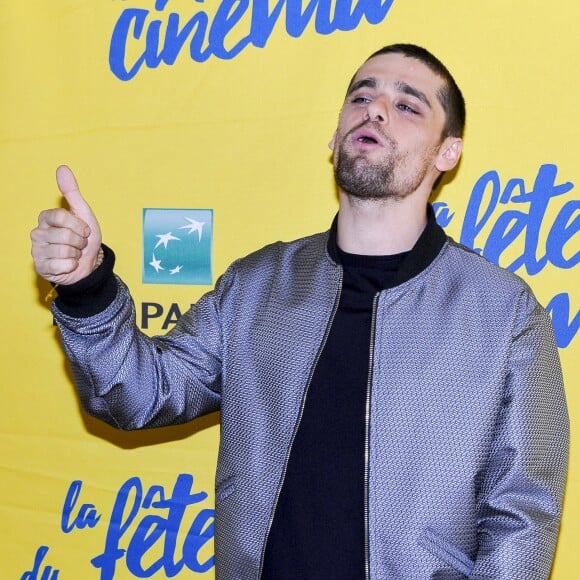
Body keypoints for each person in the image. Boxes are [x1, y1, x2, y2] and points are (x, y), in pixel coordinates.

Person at [31, 44, 568, 579]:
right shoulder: (255, 286)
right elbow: (139, 395)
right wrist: (87, 288)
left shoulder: (504, 314)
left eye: (408, 106)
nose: (375, 110)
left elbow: (522, 515)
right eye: (361, 96)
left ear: (447, 153)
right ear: (335, 137)